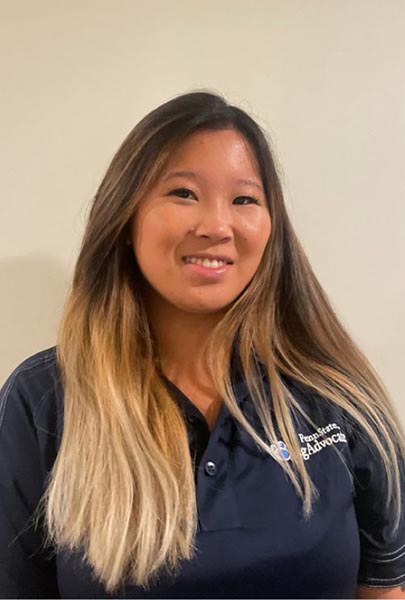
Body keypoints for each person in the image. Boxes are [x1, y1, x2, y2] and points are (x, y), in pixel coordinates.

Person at [0, 90, 404, 600]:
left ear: (272, 230)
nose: (216, 226)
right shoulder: (44, 400)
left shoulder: (338, 395)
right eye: (184, 193)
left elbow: (384, 591)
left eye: (244, 200)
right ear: (125, 218)